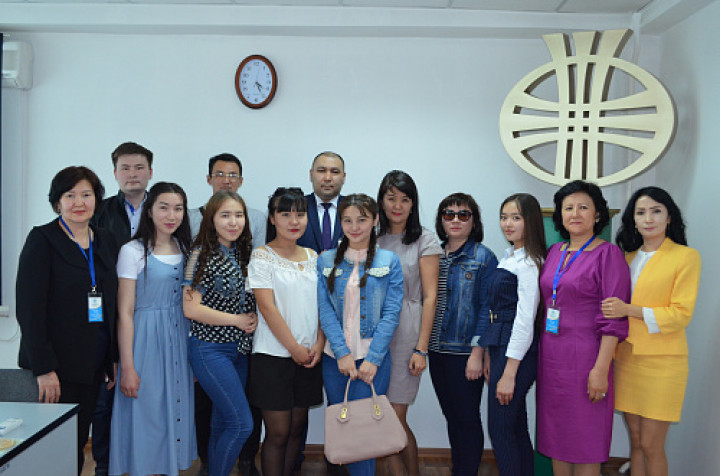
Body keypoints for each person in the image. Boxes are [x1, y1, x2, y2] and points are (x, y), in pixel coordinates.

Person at [16, 166, 118, 475]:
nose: (79, 202)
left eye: (86, 194)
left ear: (96, 199)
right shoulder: (42, 239)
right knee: (54, 447)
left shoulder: (105, 239)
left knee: (78, 441)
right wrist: (44, 368)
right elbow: (29, 310)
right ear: (57, 202)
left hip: (93, 362)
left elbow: (111, 303)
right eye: (70, 195)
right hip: (56, 368)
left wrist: (111, 358)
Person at [601, 187, 701, 476]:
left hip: (663, 362)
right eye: (641, 212)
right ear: (633, 220)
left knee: (651, 445)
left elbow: (680, 314)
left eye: (656, 211)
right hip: (627, 359)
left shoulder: (685, 256)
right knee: (635, 441)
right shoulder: (626, 257)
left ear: (669, 217)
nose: (648, 219)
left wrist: (629, 310)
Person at [537, 180, 630, 476]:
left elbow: (613, 319)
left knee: (586, 438)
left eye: (583, 207)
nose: (575, 213)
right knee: (556, 436)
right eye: (568, 208)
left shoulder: (609, 255)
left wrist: (601, 370)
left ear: (597, 214)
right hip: (552, 358)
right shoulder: (555, 251)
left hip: (588, 358)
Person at [108, 182, 196, 475]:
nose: (171, 215)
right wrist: (127, 366)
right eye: (164, 207)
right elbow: (125, 313)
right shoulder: (133, 251)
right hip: (144, 341)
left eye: (178, 208)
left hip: (179, 340)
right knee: (147, 412)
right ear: (149, 211)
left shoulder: (186, 249)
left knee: (175, 408)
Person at [188, 153, 264, 475]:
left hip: (239, 352)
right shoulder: (199, 255)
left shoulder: (242, 253)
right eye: (225, 216)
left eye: (239, 215)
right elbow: (190, 307)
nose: (233, 222)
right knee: (242, 424)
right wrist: (236, 320)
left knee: (223, 423)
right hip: (210, 350)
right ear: (211, 220)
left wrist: (251, 316)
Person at [317, 194, 403, 476]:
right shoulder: (325, 260)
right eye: (348, 220)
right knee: (346, 430)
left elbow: (391, 313)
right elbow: (325, 311)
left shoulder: (389, 260)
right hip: (335, 360)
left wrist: (373, 358)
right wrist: (342, 353)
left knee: (366, 433)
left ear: (375, 220)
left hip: (373, 360)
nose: (354, 227)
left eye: (362, 220)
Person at [247, 187, 324, 476]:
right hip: (272, 356)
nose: (294, 221)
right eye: (285, 214)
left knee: (296, 428)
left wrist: (319, 343)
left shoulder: (314, 257)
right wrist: (293, 348)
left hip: (309, 355)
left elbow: (323, 305)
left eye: (300, 214)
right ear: (272, 218)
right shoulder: (262, 256)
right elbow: (267, 307)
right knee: (278, 432)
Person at [92, 140, 154, 476]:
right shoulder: (98, 212)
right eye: (125, 168)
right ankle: (105, 465)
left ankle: (146, 461)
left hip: (153, 316)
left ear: (150, 172)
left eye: (139, 167)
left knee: (147, 394)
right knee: (106, 398)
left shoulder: (163, 208)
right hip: (108, 315)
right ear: (115, 173)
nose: (132, 174)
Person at [375, 171, 441, 476]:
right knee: (379, 415)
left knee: (394, 416)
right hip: (375, 334)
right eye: (391, 198)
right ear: (382, 201)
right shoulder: (372, 237)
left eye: (404, 199)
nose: (397, 205)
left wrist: (421, 348)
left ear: (413, 203)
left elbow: (430, 297)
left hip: (407, 332)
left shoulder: (425, 239)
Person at [429, 192, 497, 476]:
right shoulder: (432, 254)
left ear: (474, 221)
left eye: (463, 214)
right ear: (441, 220)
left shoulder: (483, 257)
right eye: (449, 214)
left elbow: (488, 309)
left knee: (467, 419)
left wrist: (477, 353)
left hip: (465, 353)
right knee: (452, 417)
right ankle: (459, 468)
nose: (455, 220)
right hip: (436, 350)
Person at [481, 193, 546, 476]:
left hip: (517, 352)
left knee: (500, 430)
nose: (508, 223)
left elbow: (524, 320)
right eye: (504, 217)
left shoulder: (530, 262)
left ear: (530, 221)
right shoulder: (511, 256)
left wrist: (509, 373)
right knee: (515, 426)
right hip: (502, 347)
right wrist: (489, 354)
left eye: (516, 218)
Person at [189, 152, 266, 250]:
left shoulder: (257, 218)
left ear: (240, 181)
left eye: (233, 175)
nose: (226, 181)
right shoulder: (191, 217)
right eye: (220, 174)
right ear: (209, 179)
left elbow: (257, 255)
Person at [297, 151, 346, 253]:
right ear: (311, 175)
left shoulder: (354, 209)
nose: (327, 178)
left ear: (344, 177)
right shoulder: (296, 207)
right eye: (321, 171)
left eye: (335, 172)